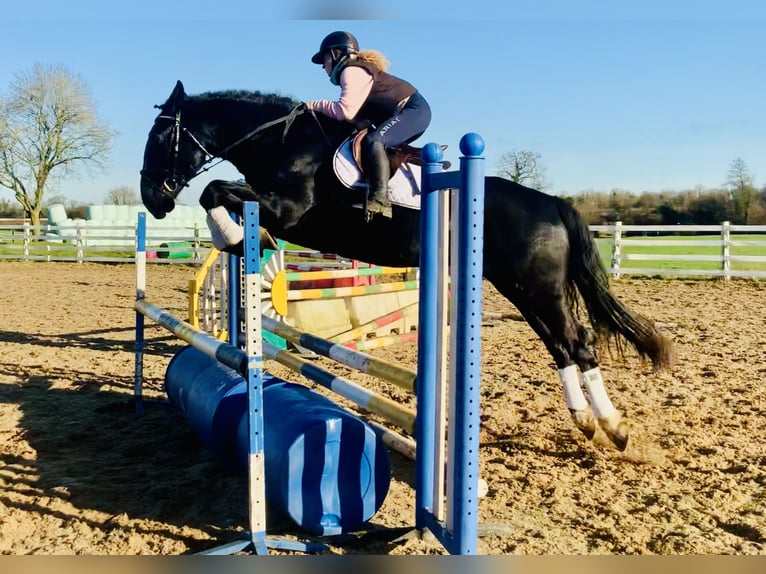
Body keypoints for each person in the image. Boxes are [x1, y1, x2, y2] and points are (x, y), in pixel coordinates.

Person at [305, 31, 432, 218]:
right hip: (407, 113)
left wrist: (315, 105)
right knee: (368, 138)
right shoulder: (354, 72)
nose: (323, 66)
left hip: (414, 110)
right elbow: (358, 121)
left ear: (336, 54)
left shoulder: (351, 70)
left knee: (375, 139)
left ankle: (380, 198)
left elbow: (344, 111)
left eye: (324, 60)